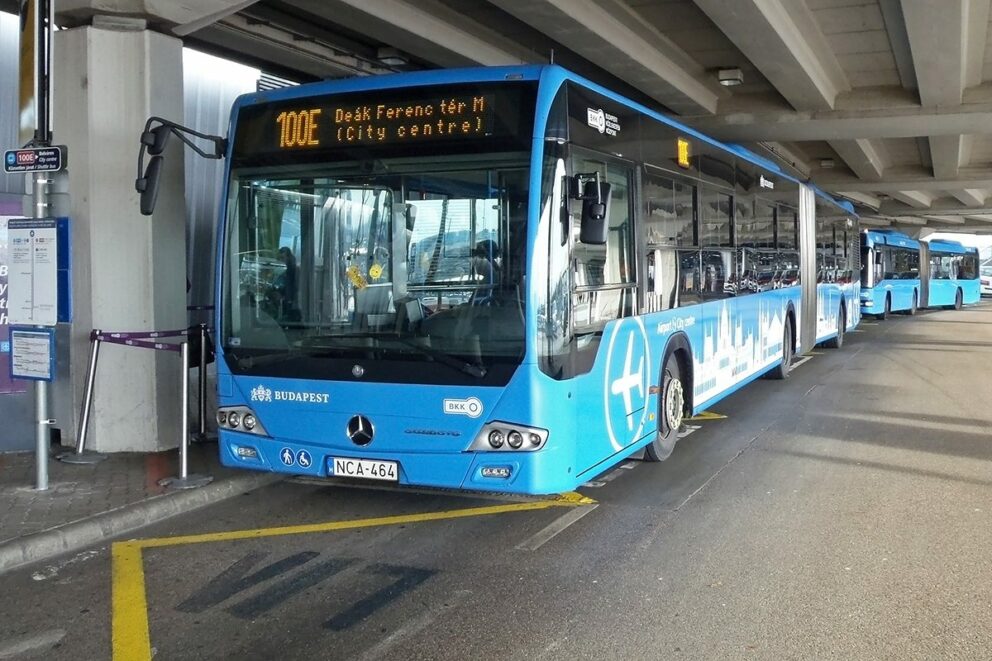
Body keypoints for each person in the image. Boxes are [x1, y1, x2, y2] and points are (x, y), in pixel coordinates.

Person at [273, 247, 300, 321]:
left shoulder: (294, 271)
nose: (281, 261)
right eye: (279, 258)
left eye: (282, 258)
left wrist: (284, 297)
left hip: (292, 307)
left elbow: (294, 288)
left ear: (288, 258)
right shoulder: (284, 272)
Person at [471, 239, 500, 305]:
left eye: (478, 257)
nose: (473, 263)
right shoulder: (490, 279)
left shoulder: (489, 282)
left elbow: (474, 305)